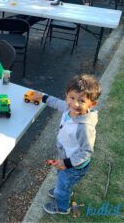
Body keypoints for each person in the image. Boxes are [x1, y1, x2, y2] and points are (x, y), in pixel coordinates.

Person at [32, 75, 101, 215]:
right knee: (62, 179)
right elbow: (57, 103)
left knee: (61, 186)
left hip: (74, 166)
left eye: (82, 101)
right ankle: (64, 189)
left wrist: (67, 163)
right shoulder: (69, 109)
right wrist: (43, 97)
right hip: (65, 157)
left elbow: (86, 151)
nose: (75, 104)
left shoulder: (84, 127)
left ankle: (62, 207)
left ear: (92, 104)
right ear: (67, 95)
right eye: (72, 98)